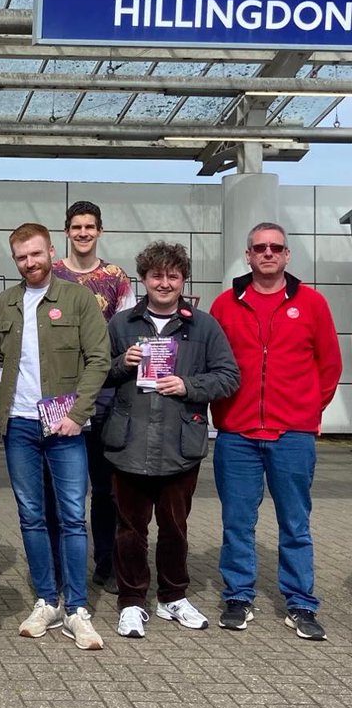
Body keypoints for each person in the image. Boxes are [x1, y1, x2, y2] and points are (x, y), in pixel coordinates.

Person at [209, 222, 342, 640]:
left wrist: (304, 411)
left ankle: (301, 602)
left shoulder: (313, 303)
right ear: (247, 255)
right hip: (238, 434)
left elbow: (329, 365)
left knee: (296, 524)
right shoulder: (226, 305)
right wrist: (222, 412)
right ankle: (238, 595)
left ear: (287, 256)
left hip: (292, 435)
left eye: (276, 248)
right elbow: (212, 364)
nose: (268, 253)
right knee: (236, 521)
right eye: (259, 247)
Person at [104, 242, 239, 639]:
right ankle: (131, 602)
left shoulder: (204, 325)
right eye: (157, 275)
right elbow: (96, 375)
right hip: (128, 443)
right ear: (144, 279)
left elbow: (229, 376)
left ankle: (172, 597)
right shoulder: (122, 324)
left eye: (173, 276)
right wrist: (120, 364)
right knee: (129, 529)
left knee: (175, 527)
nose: (164, 283)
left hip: (180, 444)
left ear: (183, 280)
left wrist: (188, 384)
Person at [0, 222, 109, 651]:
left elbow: (99, 359)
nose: (29, 263)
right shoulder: (4, 303)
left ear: (51, 252)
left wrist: (78, 414)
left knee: (73, 517)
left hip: (65, 426)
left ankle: (76, 607)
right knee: (31, 516)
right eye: (21, 257)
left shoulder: (77, 299)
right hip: (20, 425)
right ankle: (46, 600)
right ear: (14, 260)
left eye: (36, 254)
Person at [48, 200, 136, 595]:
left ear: (100, 231)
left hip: (104, 396)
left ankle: (106, 562)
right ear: (66, 231)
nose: (83, 233)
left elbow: (128, 333)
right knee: (60, 490)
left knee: (104, 489)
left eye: (90, 227)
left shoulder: (117, 278)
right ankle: (58, 566)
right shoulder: (52, 274)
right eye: (76, 227)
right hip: (60, 396)